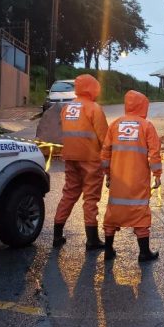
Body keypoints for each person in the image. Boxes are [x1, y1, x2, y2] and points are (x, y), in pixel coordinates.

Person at [101, 90, 162, 262]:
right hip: (138, 179)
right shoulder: (146, 126)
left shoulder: (115, 124)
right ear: (143, 105)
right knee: (140, 212)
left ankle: (108, 250)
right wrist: (157, 175)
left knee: (112, 212)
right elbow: (154, 153)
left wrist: (108, 174)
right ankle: (144, 253)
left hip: (118, 179)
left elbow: (105, 153)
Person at [53, 74, 109, 250]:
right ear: (93, 88)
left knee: (69, 195)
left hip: (70, 157)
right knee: (91, 198)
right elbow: (105, 139)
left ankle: (57, 235)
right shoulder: (94, 108)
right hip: (90, 159)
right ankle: (92, 239)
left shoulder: (67, 108)